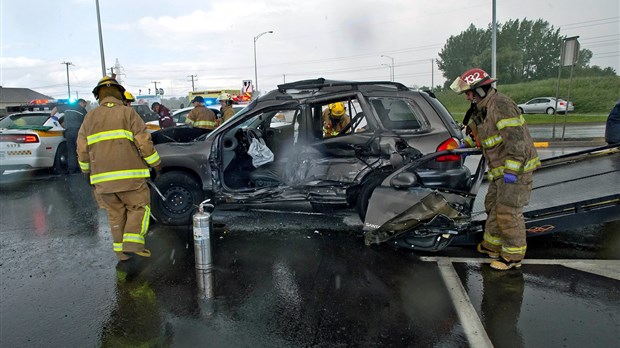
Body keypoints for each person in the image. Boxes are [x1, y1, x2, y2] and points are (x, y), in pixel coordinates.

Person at [451, 68, 540, 271]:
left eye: (469, 92)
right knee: (492, 205)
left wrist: (512, 170)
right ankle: (492, 246)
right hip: (499, 170)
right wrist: (464, 145)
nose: (467, 97)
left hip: (515, 170)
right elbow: (478, 133)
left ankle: (512, 256)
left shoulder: (501, 105)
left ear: (480, 89)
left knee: (508, 212)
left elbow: (517, 141)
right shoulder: (482, 107)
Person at [77, 76, 161, 263]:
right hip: (131, 178)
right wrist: (155, 163)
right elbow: (143, 142)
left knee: (115, 214)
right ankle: (132, 245)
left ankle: (121, 253)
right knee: (138, 207)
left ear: (99, 95)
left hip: (103, 181)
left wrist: (86, 171)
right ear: (119, 93)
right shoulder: (128, 114)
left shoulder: (89, 117)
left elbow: (82, 148)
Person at [62, 98, 88, 173]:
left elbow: (56, 109)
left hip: (68, 132)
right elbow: (87, 122)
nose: (84, 106)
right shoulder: (82, 110)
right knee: (80, 149)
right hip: (77, 131)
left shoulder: (68, 107)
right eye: (84, 105)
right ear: (81, 103)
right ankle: (80, 168)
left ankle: (72, 169)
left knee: (71, 151)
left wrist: (52, 116)